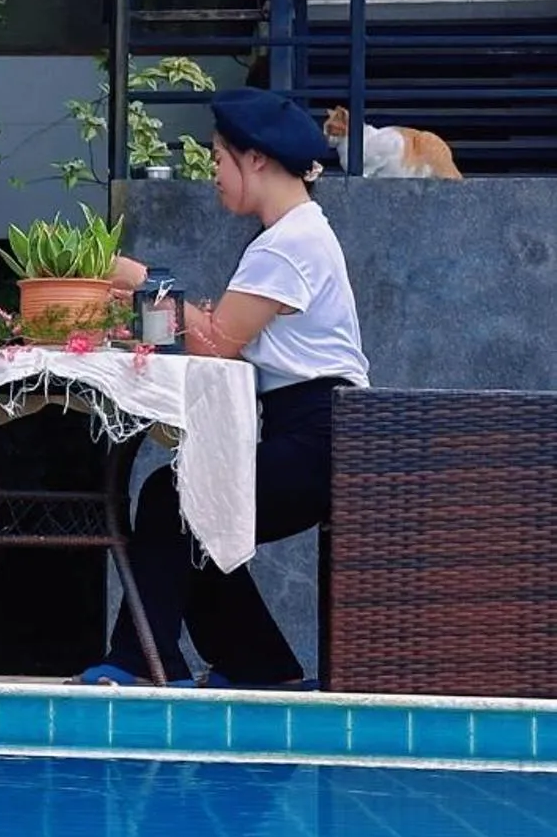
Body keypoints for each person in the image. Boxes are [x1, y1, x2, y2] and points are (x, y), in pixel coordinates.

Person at [90, 89, 367, 687]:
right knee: (188, 500)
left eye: (219, 158)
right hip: (317, 431)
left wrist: (143, 280)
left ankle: (143, 661)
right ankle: (256, 662)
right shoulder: (294, 235)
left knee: (177, 498)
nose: (214, 173)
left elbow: (215, 342)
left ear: (257, 159)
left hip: (321, 439)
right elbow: (222, 335)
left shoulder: (289, 243)